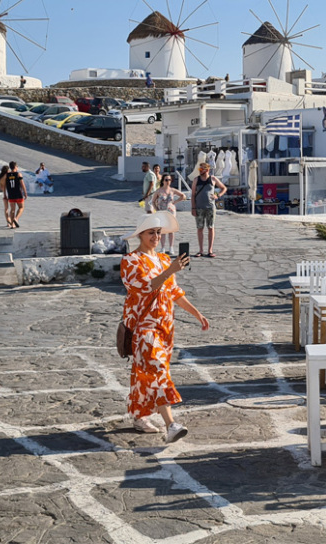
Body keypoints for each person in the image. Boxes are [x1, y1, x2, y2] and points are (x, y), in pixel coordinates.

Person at [121, 211, 210, 442]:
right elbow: (144, 287)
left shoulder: (162, 259)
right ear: (140, 235)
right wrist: (171, 270)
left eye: (158, 232)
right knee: (158, 370)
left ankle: (140, 417)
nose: (156, 236)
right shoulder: (130, 261)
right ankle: (171, 425)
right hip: (143, 329)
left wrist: (197, 313)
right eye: (151, 232)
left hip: (165, 328)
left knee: (146, 373)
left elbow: (174, 293)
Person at [191, 162, 226, 257]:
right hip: (199, 207)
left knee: (211, 227)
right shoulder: (196, 180)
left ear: (207, 170)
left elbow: (223, 188)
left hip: (210, 207)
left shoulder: (213, 179)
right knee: (200, 228)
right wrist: (193, 208)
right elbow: (193, 194)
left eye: (202, 169)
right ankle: (201, 250)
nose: (200, 171)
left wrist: (217, 195)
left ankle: (210, 250)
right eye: (199, 169)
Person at [150, 173, 186, 253]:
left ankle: (171, 247)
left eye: (169, 180)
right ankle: (163, 247)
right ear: (163, 181)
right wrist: (157, 209)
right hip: (162, 211)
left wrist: (175, 202)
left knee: (171, 230)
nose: (168, 181)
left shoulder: (172, 190)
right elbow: (153, 201)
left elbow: (183, 196)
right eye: (166, 180)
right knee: (163, 230)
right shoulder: (159, 191)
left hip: (171, 212)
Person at [4, 161, 26, 228]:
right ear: (15, 167)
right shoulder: (18, 174)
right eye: (17, 166)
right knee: (21, 207)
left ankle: (12, 224)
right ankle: (16, 219)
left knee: (12, 210)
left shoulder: (7, 175)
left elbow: (4, 186)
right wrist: (25, 193)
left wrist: (5, 194)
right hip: (18, 194)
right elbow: (22, 185)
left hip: (11, 194)